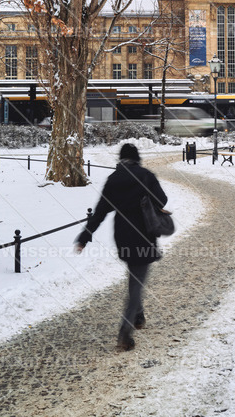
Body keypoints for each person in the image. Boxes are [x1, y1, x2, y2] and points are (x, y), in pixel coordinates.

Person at [75, 143, 168, 352]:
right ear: (136, 158)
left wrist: (84, 237)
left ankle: (138, 316)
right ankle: (125, 331)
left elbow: (99, 213)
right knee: (137, 282)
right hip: (144, 235)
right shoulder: (146, 175)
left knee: (134, 275)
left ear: (121, 159)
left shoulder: (113, 180)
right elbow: (162, 199)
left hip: (123, 236)